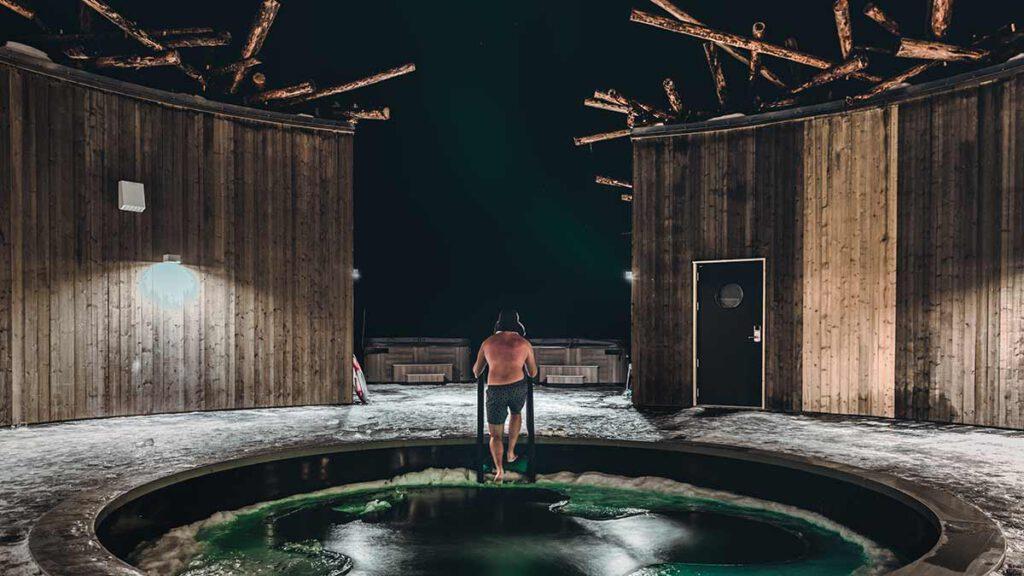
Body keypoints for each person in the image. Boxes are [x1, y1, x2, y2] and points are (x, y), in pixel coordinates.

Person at [473, 309, 538, 482]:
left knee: (495, 435)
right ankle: (510, 452)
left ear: (499, 324)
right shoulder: (524, 343)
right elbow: (532, 372)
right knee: (516, 413)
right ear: (517, 323)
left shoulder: (488, 342)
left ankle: (499, 470)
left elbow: (476, 371)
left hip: (496, 389)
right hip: (517, 386)